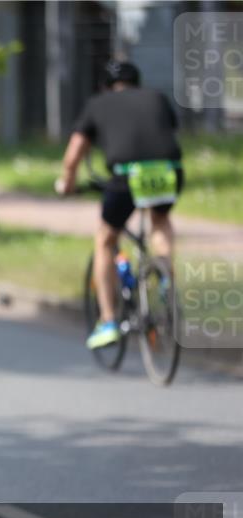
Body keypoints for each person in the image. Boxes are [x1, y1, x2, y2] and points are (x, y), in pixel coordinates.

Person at [56, 59, 184, 349]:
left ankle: (108, 321)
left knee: (105, 239)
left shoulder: (97, 104)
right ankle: (165, 278)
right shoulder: (157, 97)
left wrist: (67, 182)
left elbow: (74, 153)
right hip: (169, 171)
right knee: (160, 220)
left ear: (105, 86)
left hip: (127, 175)